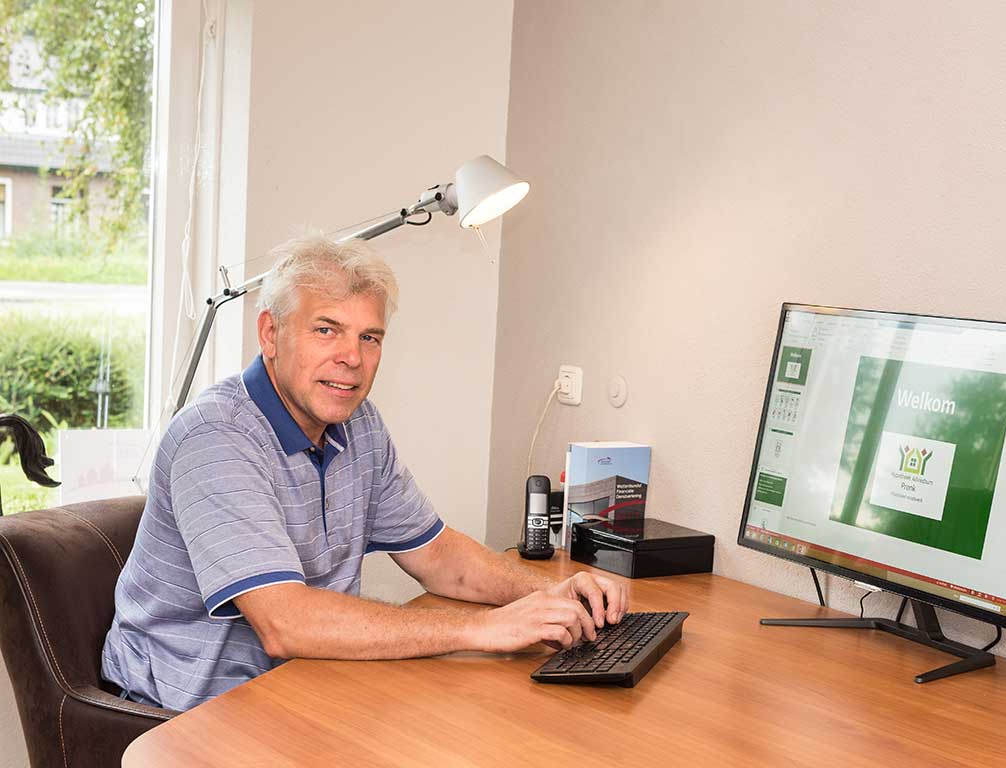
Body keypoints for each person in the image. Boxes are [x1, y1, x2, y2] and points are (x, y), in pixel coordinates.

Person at [101, 235, 627, 711]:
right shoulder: (217, 437)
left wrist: (549, 595)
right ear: (271, 333)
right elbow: (285, 623)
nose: (351, 357)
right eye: (326, 330)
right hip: (184, 711)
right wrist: (484, 628)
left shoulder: (358, 424)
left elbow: (440, 557)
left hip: (303, 684)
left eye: (370, 337)